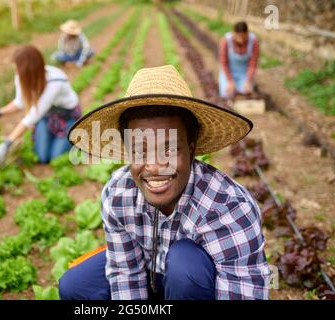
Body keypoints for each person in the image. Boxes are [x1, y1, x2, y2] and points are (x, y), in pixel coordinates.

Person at [59, 65, 271, 300]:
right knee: (75, 285)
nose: (154, 166)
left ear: (191, 149)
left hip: (198, 285)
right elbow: (125, 272)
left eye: (169, 148)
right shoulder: (118, 193)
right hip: (150, 273)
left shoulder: (228, 207)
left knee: (185, 265)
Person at [0, 45, 81, 166]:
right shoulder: (21, 76)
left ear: (30, 71)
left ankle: (74, 135)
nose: (16, 73)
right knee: (42, 157)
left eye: (18, 70)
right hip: (46, 116)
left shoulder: (55, 81)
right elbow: (19, 102)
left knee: (54, 157)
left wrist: (7, 144)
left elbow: (32, 116)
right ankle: (49, 134)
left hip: (67, 117)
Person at [219, 21, 260, 98]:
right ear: (233, 33)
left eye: (244, 37)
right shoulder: (226, 41)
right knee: (227, 93)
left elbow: (253, 64)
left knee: (246, 91)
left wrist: (248, 81)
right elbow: (224, 63)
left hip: (244, 71)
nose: (241, 40)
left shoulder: (253, 41)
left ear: (247, 33)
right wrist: (230, 81)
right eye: (238, 37)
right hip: (229, 70)